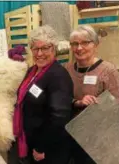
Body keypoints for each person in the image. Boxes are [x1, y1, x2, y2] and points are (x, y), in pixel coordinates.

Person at [12, 25, 74, 164]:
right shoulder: (32, 71)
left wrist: (41, 147)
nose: (39, 53)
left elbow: (59, 117)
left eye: (45, 48)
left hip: (49, 149)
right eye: (35, 48)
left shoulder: (58, 75)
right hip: (32, 141)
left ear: (54, 49)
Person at [65, 25, 119, 164]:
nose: (79, 48)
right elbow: (62, 99)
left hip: (99, 139)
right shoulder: (68, 69)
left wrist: (99, 105)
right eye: (75, 43)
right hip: (73, 134)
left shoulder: (108, 70)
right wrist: (78, 102)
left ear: (96, 44)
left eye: (85, 42)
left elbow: (118, 104)